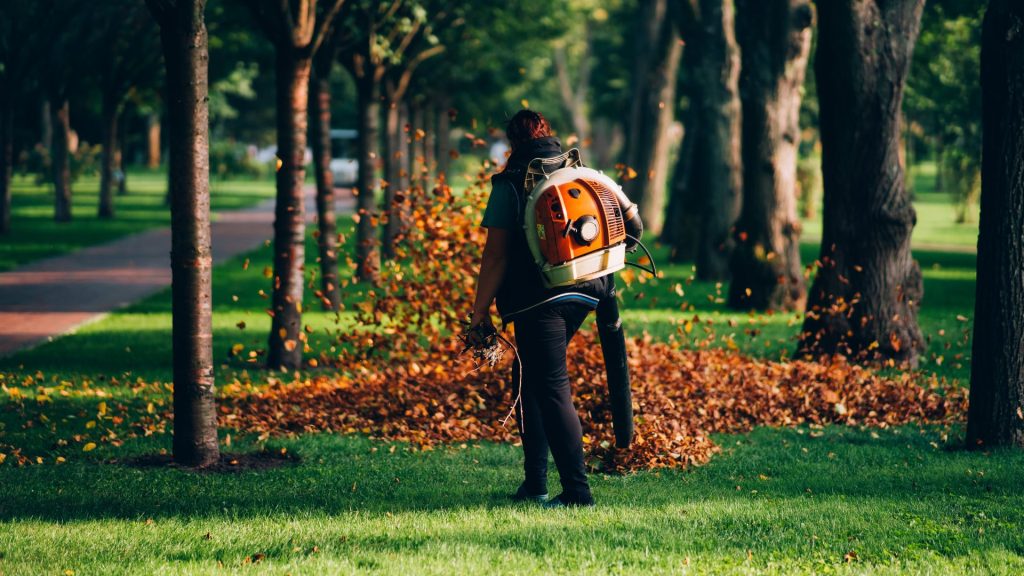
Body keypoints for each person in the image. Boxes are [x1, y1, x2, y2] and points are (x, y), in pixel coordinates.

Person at [468, 110, 615, 508]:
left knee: (550, 386)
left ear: (513, 142)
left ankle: (577, 493)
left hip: (541, 300)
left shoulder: (510, 183)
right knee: (528, 374)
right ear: (548, 135)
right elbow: (630, 226)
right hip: (588, 291)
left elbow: (495, 256)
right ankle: (534, 484)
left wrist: (479, 312)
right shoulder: (580, 173)